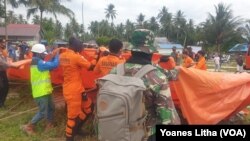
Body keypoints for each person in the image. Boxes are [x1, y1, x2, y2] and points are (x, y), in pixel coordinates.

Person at [109, 29, 180, 141]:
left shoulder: (114, 71)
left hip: (116, 131)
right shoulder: (157, 78)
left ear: (132, 49)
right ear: (151, 51)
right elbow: (167, 117)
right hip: (144, 133)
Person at [59, 37, 94, 141]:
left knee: (89, 107)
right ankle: (69, 138)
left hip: (74, 89)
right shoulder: (76, 57)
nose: (82, 46)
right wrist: (98, 55)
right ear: (74, 45)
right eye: (80, 44)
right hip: (74, 91)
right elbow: (90, 67)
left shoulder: (62, 55)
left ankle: (77, 129)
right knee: (72, 117)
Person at [21, 44, 60, 135]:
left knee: (51, 108)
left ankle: (49, 124)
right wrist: (57, 55)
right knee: (43, 112)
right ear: (38, 54)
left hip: (46, 90)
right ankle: (29, 126)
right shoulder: (38, 63)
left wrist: (53, 56)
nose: (45, 55)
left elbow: (48, 65)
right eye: (43, 54)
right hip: (40, 92)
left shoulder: (38, 62)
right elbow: (54, 65)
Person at [0, 39, 17, 107]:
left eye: (4, 43)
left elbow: (5, 59)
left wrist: (9, 60)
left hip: (3, 72)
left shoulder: (3, 51)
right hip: (0, 72)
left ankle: (2, 102)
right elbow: (1, 62)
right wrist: (10, 65)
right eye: (2, 43)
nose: (4, 44)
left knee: (5, 87)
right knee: (2, 87)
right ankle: (1, 103)